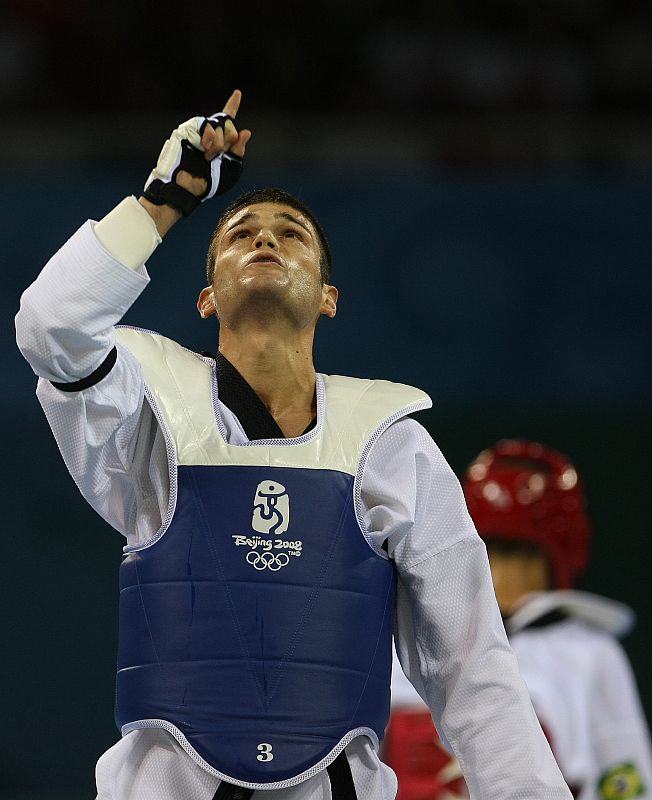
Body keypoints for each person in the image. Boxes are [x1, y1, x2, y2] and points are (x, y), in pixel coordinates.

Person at [15, 91, 571, 800]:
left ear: (329, 296)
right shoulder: (147, 416)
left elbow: (471, 666)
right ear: (206, 298)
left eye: (291, 234)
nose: (264, 240)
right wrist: (160, 204)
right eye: (241, 232)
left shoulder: (392, 447)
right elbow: (48, 329)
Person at [463, 438, 652, 800]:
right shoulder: (413, 643)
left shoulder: (590, 654)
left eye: (522, 555)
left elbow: (625, 781)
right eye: (494, 552)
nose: (505, 574)